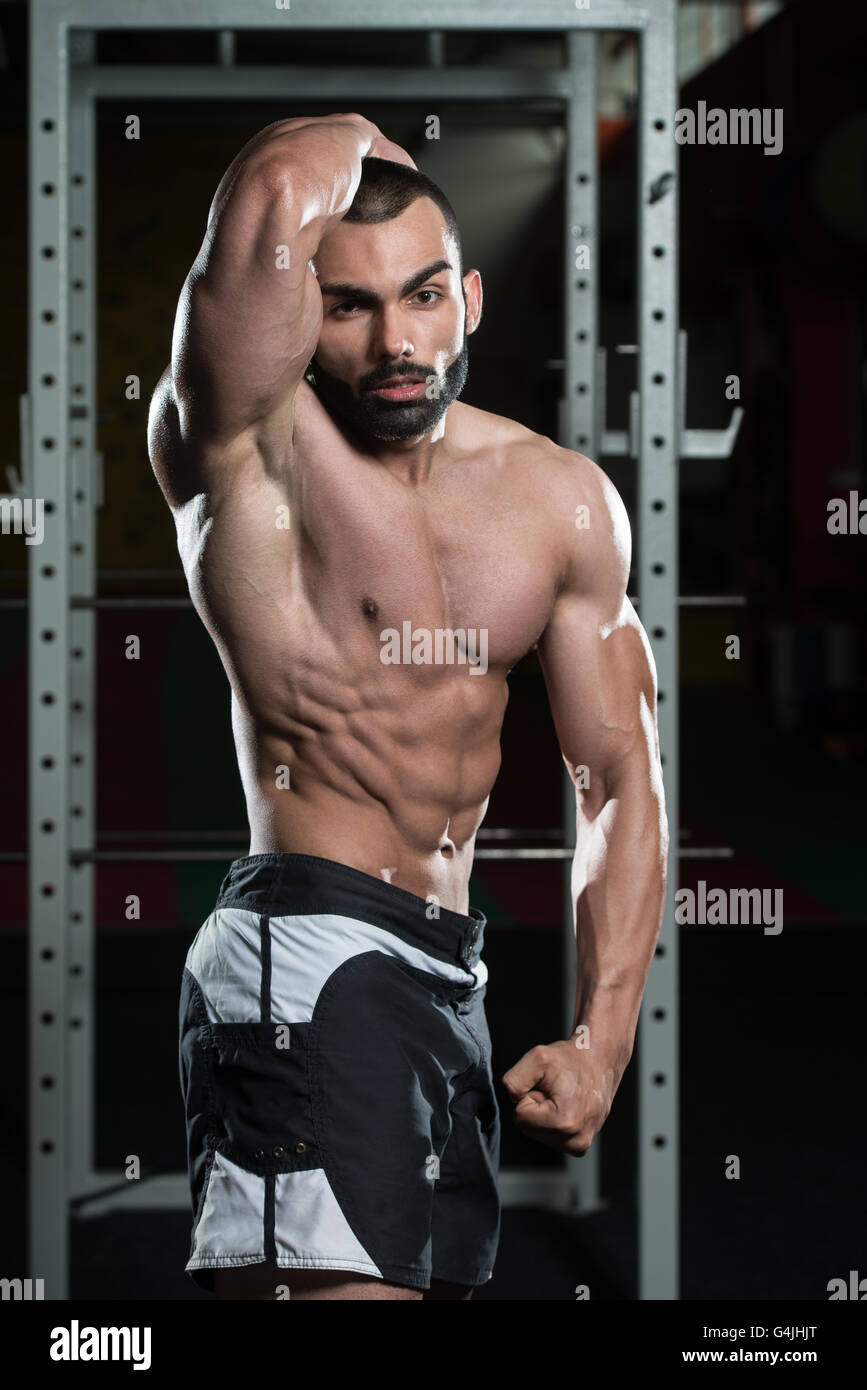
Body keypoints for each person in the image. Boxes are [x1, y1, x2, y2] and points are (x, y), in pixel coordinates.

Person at [148, 112, 668, 1301]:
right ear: (296, 322)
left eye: (424, 296)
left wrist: (604, 1035)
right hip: (308, 952)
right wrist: (361, 137)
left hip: (451, 971)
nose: (396, 338)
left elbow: (621, 781)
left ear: (471, 299)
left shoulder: (561, 503)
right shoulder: (246, 452)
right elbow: (279, 182)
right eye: (349, 305)